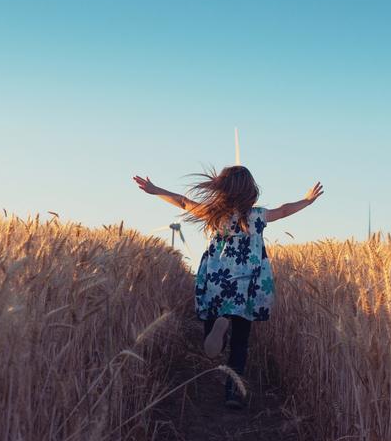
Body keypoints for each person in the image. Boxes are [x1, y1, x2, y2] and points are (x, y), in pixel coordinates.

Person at [133, 166, 323, 409]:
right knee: (241, 342)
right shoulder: (257, 216)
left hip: (217, 278)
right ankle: (233, 392)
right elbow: (285, 210)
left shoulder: (214, 214)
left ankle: (218, 328)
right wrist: (307, 200)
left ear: (221, 189)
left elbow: (182, 202)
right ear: (250, 191)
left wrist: (154, 189)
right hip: (247, 284)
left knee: (215, 321)